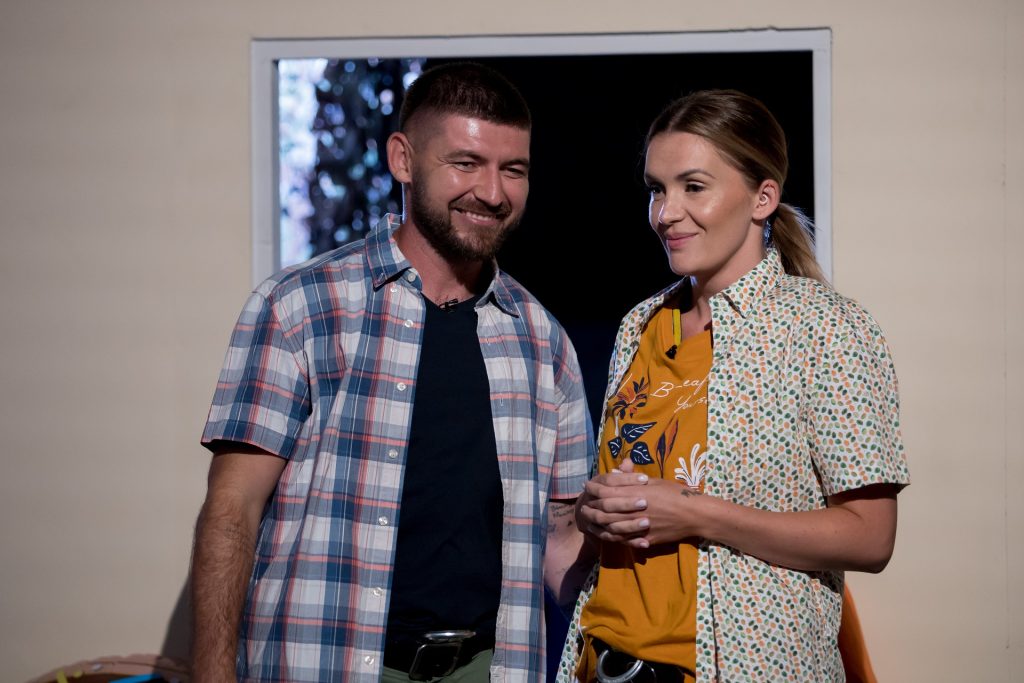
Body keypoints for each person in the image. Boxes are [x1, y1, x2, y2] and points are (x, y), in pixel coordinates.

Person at [191, 62, 594, 683]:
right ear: (403, 159)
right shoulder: (301, 307)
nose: (492, 192)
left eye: (513, 169)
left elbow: (561, 543)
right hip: (326, 662)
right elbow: (232, 511)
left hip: (489, 668)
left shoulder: (543, 341)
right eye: (466, 163)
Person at [558, 90, 909, 682]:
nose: (666, 213)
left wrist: (696, 514)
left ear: (762, 198)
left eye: (693, 186)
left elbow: (871, 538)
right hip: (602, 662)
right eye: (656, 189)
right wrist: (597, 517)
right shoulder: (640, 325)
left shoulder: (824, 327)